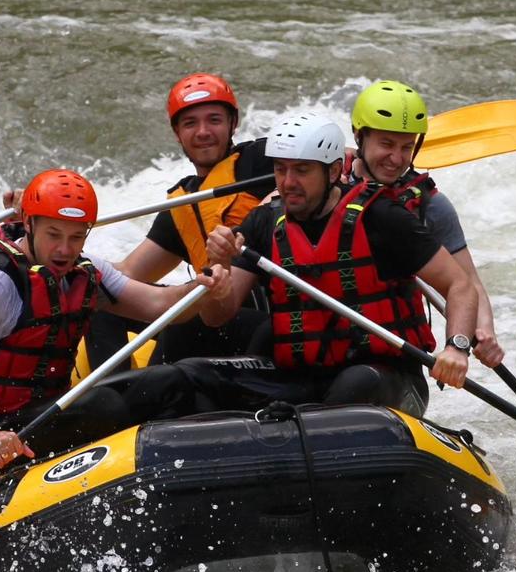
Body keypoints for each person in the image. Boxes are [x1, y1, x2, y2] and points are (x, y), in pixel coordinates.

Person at [121, 113, 478, 424]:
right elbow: (218, 316)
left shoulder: (383, 218)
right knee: (186, 376)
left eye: (302, 171)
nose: (288, 182)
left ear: (334, 171)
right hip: (300, 377)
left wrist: (456, 348)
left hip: (383, 376)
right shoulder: (263, 222)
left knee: (355, 387)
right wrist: (220, 270)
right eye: (281, 170)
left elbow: (459, 285)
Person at [0, 169, 232, 472]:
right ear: (28, 224)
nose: (65, 250)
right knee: (105, 403)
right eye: (54, 235)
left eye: (76, 237)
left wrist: (204, 289)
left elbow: (159, 304)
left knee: (172, 381)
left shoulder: (85, 271)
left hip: (41, 415)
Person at [86, 72, 273, 366]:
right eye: (190, 123)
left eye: (214, 119)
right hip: (207, 315)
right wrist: (64, 256)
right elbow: (128, 273)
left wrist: (275, 199)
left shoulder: (260, 160)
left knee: (186, 321)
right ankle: (113, 399)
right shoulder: (184, 203)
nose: (202, 132)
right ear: (177, 133)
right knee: (105, 304)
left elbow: (329, 162)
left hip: (262, 321)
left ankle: (149, 392)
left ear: (233, 124)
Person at [348, 79, 503, 367]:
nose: (396, 158)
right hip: (325, 347)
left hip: (388, 357)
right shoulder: (326, 181)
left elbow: (468, 283)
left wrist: (484, 331)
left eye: (407, 147)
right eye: (386, 144)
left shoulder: (430, 207)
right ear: (359, 136)